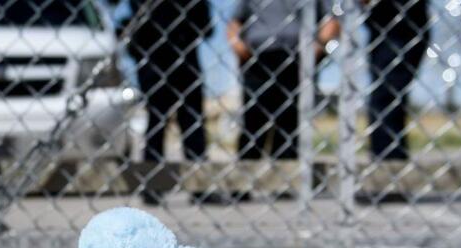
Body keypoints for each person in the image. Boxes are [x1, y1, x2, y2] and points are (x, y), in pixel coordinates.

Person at [119, 0, 213, 204]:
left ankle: (186, 186)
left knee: (182, 124)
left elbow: (206, 27)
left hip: (171, 60)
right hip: (164, 60)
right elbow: (206, 27)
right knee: (174, 124)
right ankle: (158, 186)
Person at [229, 0, 338, 165]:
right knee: (253, 122)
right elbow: (234, 21)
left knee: (290, 124)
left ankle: (285, 185)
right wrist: (238, 46)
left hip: (296, 58)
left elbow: (332, 19)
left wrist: (317, 49)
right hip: (257, 58)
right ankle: (243, 183)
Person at [362, 0, 429, 203]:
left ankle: (389, 179)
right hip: (383, 23)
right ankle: (388, 176)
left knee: (386, 99)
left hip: (402, 22)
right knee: (384, 100)